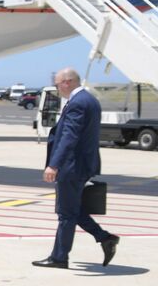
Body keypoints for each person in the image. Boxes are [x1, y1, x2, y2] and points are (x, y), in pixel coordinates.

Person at [34, 67, 119, 269]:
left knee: (66, 213)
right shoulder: (89, 100)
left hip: (72, 166)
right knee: (71, 209)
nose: (57, 89)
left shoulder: (78, 103)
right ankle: (105, 238)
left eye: (57, 85)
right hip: (81, 164)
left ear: (67, 82)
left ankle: (60, 258)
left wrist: (54, 164)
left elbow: (69, 137)